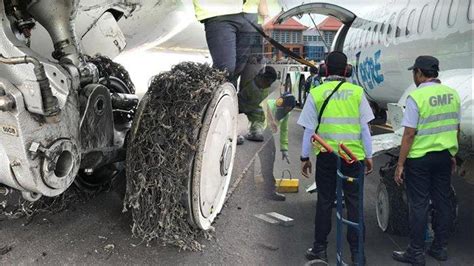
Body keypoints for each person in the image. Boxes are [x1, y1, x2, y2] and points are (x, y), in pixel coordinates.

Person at [298, 51, 374, 264]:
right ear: (347, 70)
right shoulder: (358, 93)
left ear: (325, 70)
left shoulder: (317, 93)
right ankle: (357, 253)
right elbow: (365, 130)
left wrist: (305, 157)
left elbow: (309, 130)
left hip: (328, 156)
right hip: (353, 157)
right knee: (354, 203)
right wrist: (368, 156)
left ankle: (320, 248)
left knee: (324, 200)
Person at [392, 56, 460, 266]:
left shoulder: (417, 97)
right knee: (443, 202)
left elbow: (409, 134)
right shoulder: (452, 94)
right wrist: (453, 154)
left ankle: (416, 252)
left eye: (415, 72)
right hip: (443, 157)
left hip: (420, 159)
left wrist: (400, 164)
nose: (414, 76)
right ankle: (439, 247)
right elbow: (456, 128)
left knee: (419, 204)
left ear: (420, 73)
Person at [256, 92, 296, 201]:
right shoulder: (269, 105)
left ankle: (268, 190)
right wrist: (270, 122)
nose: (287, 111)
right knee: (265, 159)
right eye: (286, 108)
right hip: (258, 131)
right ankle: (266, 190)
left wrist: (284, 148)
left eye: (289, 109)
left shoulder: (285, 114)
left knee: (269, 159)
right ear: (281, 103)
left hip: (267, 133)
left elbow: (284, 130)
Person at [238, 66, 278, 142]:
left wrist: (272, 121)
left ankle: (255, 131)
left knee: (260, 111)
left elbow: (265, 105)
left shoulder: (264, 89)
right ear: (261, 77)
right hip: (242, 107)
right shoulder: (250, 84)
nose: (269, 85)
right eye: (267, 82)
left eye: (270, 83)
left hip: (253, 112)